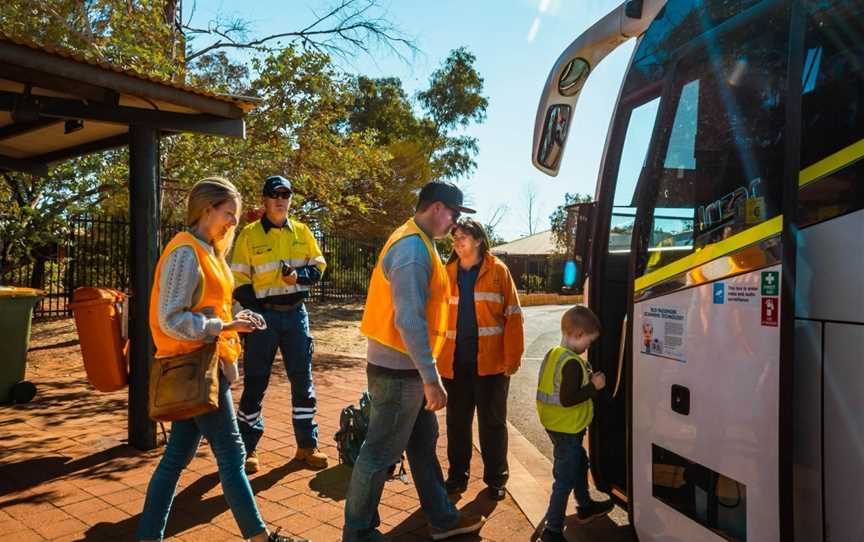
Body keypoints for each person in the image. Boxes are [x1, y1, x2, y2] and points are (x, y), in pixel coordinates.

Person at [138, 177, 304, 542]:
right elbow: (171, 318)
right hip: (197, 367)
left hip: (205, 366)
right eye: (229, 214)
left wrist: (238, 317)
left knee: (175, 460)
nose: (233, 222)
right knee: (232, 455)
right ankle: (260, 537)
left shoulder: (207, 250)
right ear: (207, 209)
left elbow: (210, 304)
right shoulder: (185, 252)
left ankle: (148, 536)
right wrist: (226, 325)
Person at [342, 182, 487, 542]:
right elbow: (409, 320)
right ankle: (358, 532)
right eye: (454, 214)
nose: (454, 223)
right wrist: (431, 377)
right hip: (400, 373)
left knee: (422, 445)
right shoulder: (412, 250)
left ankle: (441, 517)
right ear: (438, 208)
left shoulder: (416, 242)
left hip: (404, 370)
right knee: (379, 453)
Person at [231, 175, 328, 472]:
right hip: (264, 317)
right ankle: (247, 450)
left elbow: (319, 266)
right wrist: (260, 312)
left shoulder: (301, 231)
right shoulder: (248, 235)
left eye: (285, 195)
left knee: (303, 380)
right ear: (264, 200)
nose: (280, 200)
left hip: (297, 315)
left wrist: (298, 278)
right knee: (256, 382)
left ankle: (307, 445)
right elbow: (239, 280)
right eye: (275, 195)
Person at [438, 218, 524, 501]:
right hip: (455, 364)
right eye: (455, 238)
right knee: (457, 423)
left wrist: (513, 357)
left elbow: (513, 315)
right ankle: (457, 477)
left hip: (491, 364)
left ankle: (496, 479)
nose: (457, 242)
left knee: (493, 424)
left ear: (478, 240)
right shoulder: (446, 272)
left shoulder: (498, 271)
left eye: (463, 237)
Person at [538, 305, 614, 542]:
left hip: (555, 425)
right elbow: (568, 398)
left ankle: (585, 505)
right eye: (588, 343)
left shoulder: (554, 353)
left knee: (580, 464)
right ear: (579, 335)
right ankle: (552, 530)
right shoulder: (571, 362)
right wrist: (595, 386)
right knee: (564, 480)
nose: (588, 348)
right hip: (567, 429)